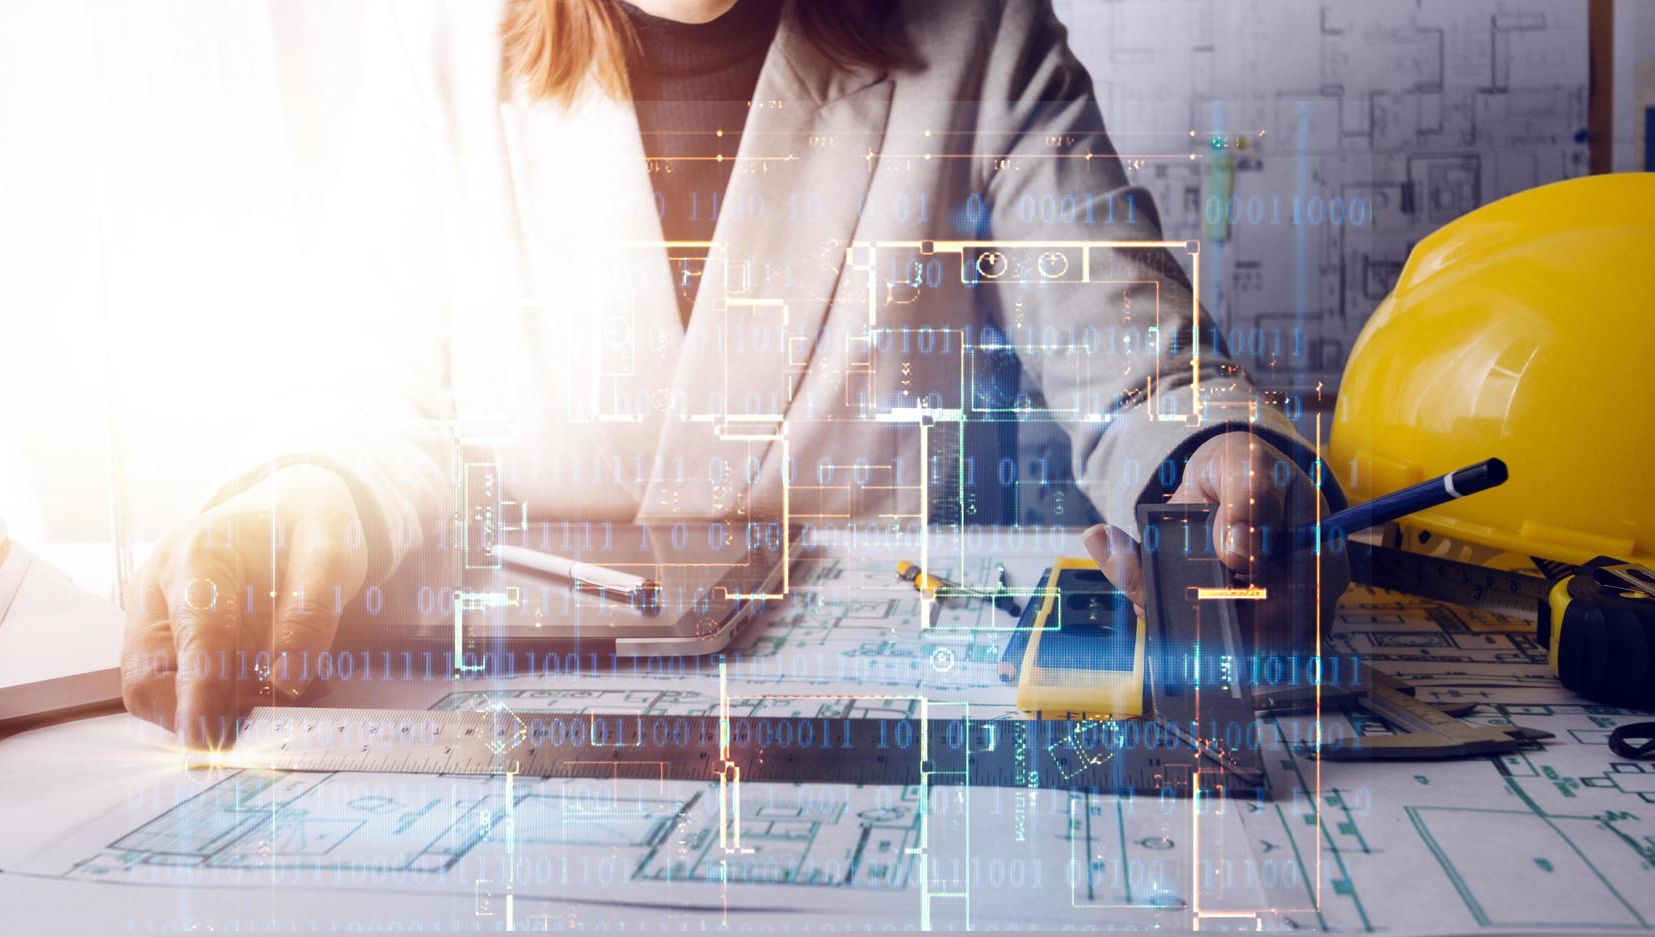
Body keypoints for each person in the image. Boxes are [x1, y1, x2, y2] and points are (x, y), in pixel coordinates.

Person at [121, 0, 1349, 748]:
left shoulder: (978, 27)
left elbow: (1136, 362)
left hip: (870, 732)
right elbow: (372, 401)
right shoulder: (437, 31)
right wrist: (300, 503)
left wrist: (1216, 464)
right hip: (520, 737)